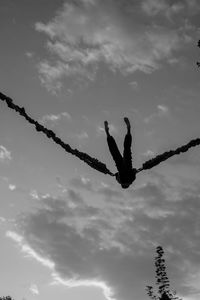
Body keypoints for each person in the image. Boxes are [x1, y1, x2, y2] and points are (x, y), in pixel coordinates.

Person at [104, 117, 137, 189]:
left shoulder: (132, 180)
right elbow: (117, 175)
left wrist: (135, 171)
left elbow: (134, 171)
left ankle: (128, 130)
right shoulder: (120, 181)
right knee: (114, 151)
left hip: (128, 165)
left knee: (127, 149)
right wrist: (115, 175)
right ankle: (108, 134)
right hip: (120, 166)